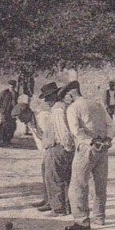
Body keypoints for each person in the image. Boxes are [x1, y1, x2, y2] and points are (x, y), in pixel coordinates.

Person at [62, 81, 114, 230]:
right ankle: (99, 217)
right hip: (103, 148)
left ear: (71, 94)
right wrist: (108, 139)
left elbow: (76, 131)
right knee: (99, 183)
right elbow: (111, 124)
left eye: (67, 96)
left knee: (78, 184)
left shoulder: (73, 108)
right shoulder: (97, 105)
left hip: (87, 148)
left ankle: (82, 221)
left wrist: (92, 141)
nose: (67, 99)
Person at [35, 81, 75, 217]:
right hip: (63, 147)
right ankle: (69, 206)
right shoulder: (64, 107)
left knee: (54, 178)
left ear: (54, 96)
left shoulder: (58, 109)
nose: (46, 101)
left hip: (58, 147)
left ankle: (58, 209)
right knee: (66, 178)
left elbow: (62, 131)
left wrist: (66, 146)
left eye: (48, 97)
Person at [0, 80, 18, 145]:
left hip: (13, 112)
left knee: (12, 126)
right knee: (4, 126)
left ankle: (8, 140)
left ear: (15, 86)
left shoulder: (16, 93)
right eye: (11, 86)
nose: (12, 87)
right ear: (8, 86)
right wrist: (2, 109)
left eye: (13, 86)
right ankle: (2, 140)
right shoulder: (4, 92)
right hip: (5, 112)